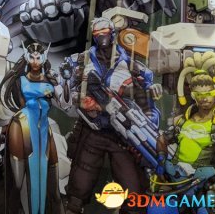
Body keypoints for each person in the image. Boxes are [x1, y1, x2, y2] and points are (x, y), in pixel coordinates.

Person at [63, 17, 163, 214]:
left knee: (133, 191)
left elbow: (147, 102)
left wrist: (149, 122)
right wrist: (80, 100)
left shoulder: (132, 66)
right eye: (98, 35)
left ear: (113, 34)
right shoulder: (81, 61)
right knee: (78, 187)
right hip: (94, 131)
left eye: (105, 34)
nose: (102, 39)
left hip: (123, 136)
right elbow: (64, 91)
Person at [1, 42, 69, 214]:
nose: (35, 61)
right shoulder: (20, 80)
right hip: (23, 126)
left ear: (44, 57)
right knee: (17, 183)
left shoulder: (50, 79)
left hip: (44, 129)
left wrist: (61, 83)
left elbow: (65, 104)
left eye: (39, 58)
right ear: (27, 57)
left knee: (53, 186)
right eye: (32, 57)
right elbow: (19, 104)